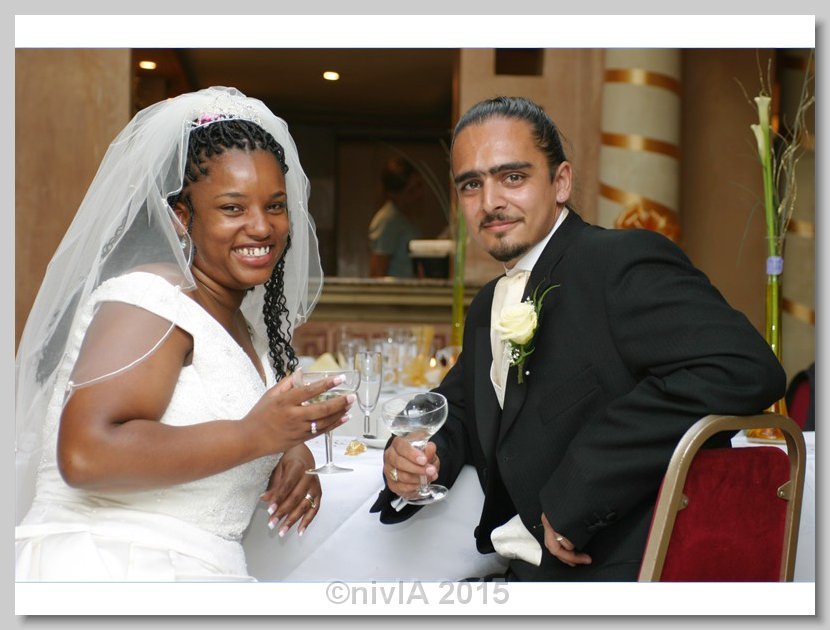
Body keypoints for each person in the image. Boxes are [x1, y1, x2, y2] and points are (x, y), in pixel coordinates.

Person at [371, 96, 786, 581]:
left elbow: (744, 367)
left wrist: (582, 482)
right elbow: (460, 407)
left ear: (561, 182)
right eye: (471, 184)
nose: (490, 202)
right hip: (521, 572)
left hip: (619, 574)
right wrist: (414, 452)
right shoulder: (488, 304)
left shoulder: (619, 263)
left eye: (513, 177)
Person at [15, 86, 354, 581]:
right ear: (181, 217)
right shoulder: (151, 299)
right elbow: (84, 453)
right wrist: (256, 435)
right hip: (114, 570)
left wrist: (290, 450)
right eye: (233, 208)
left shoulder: (238, 324)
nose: (262, 227)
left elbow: (215, 415)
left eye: (275, 206)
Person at [367, 157, 423, 278]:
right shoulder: (387, 220)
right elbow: (377, 274)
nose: (418, 194)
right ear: (394, 194)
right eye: (411, 191)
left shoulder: (407, 218)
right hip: (395, 288)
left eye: (419, 186)